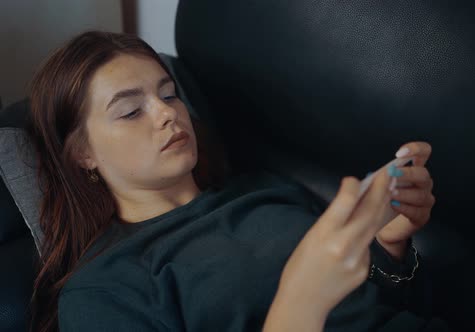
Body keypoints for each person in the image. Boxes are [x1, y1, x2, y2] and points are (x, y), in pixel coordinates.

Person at [26, 31, 442, 332]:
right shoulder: (104, 289)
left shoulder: (263, 190)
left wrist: (390, 244)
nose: (167, 113)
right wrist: (301, 303)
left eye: (169, 94)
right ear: (83, 154)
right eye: (131, 111)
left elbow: (378, 306)